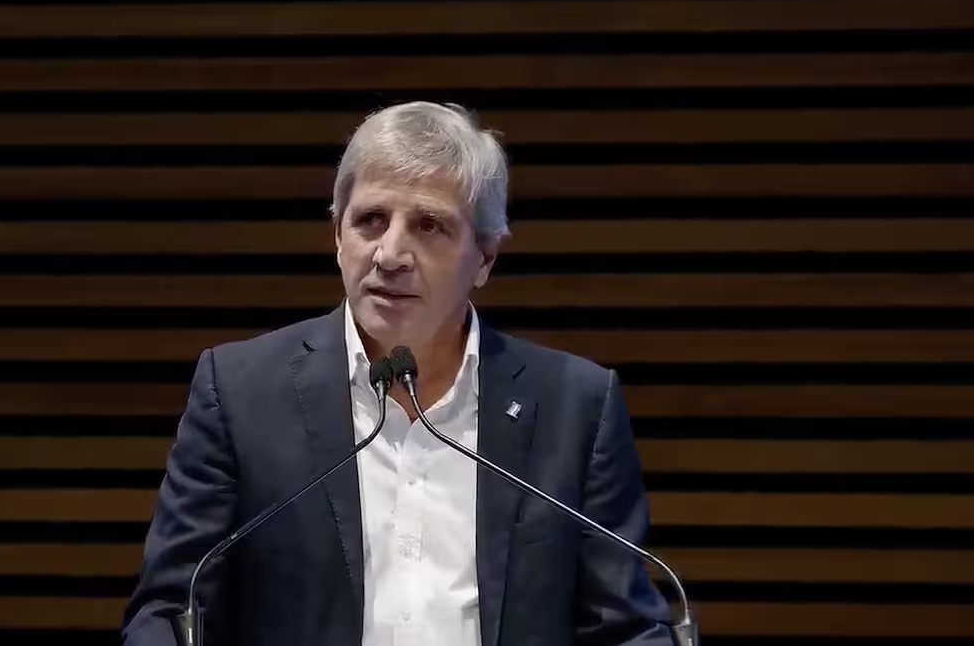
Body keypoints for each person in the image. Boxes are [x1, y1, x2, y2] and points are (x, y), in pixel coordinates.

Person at [121, 101, 674, 646]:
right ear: (337, 236)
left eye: (429, 225)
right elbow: (170, 611)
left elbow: (626, 628)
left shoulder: (575, 407)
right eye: (371, 221)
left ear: (485, 257)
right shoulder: (241, 393)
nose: (390, 255)